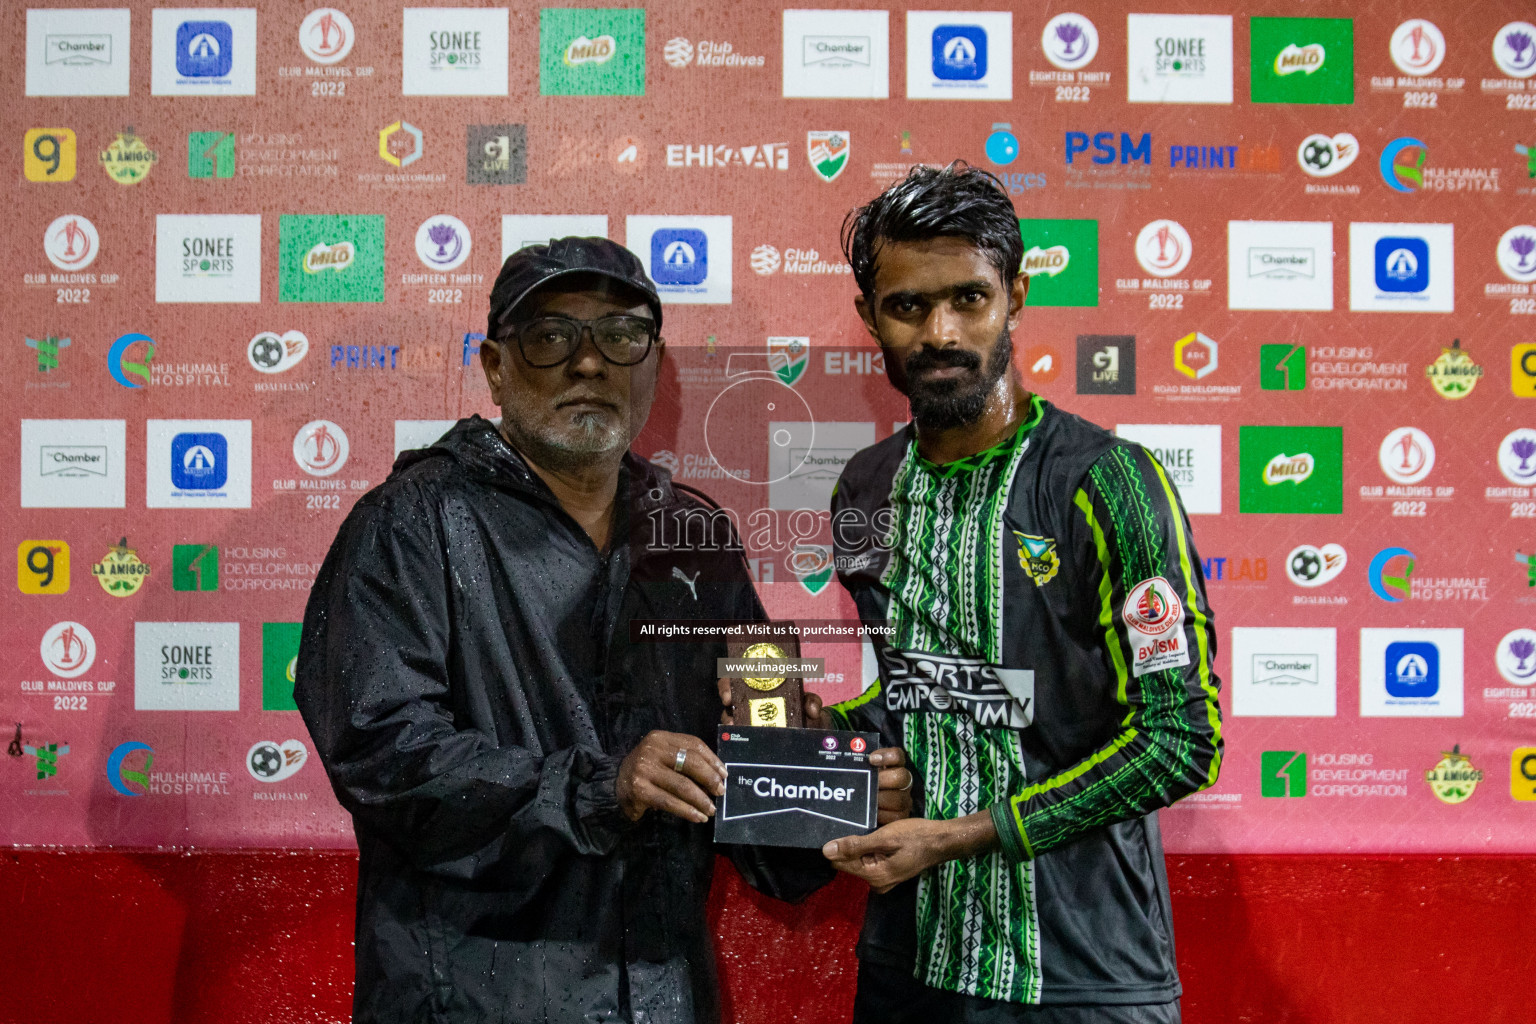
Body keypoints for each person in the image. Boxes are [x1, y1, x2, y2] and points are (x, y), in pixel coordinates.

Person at [295, 236, 910, 1024]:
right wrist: (600, 786)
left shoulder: (697, 535)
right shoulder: (411, 522)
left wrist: (835, 794)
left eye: (620, 336)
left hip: (662, 995)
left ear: (652, 363)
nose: (589, 363)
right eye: (552, 337)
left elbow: (758, 792)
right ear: (495, 365)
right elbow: (381, 756)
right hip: (472, 998)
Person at [807, 164, 1223, 1023]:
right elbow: (924, 691)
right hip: (910, 966)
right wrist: (821, 734)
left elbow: (1182, 741)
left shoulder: (1107, 483)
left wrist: (961, 836)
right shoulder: (864, 489)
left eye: (969, 298)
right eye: (908, 307)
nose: (942, 332)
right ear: (869, 318)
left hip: (1080, 975)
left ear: (1017, 293)